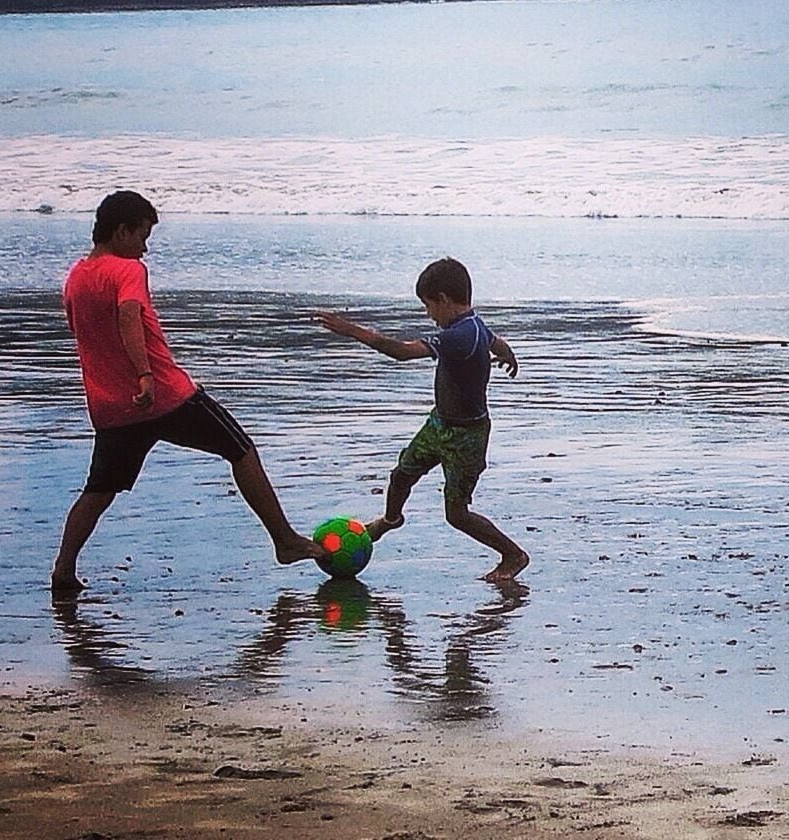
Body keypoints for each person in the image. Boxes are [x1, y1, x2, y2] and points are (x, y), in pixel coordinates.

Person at [52, 190, 323, 592]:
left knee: (99, 490)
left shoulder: (76, 277)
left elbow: (83, 334)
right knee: (241, 449)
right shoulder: (126, 270)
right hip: (165, 394)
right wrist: (144, 375)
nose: (144, 249)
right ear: (122, 231)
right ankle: (284, 540)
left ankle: (63, 569)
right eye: (142, 236)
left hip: (112, 407)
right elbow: (128, 314)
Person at [315, 257, 529, 584]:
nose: (429, 315)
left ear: (443, 300)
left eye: (428, 306)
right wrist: (509, 355)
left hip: (467, 436)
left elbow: (401, 351)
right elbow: (495, 341)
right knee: (401, 475)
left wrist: (351, 330)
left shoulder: (458, 335)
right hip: (438, 425)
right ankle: (389, 520)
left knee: (456, 515)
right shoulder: (475, 327)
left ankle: (513, 555)